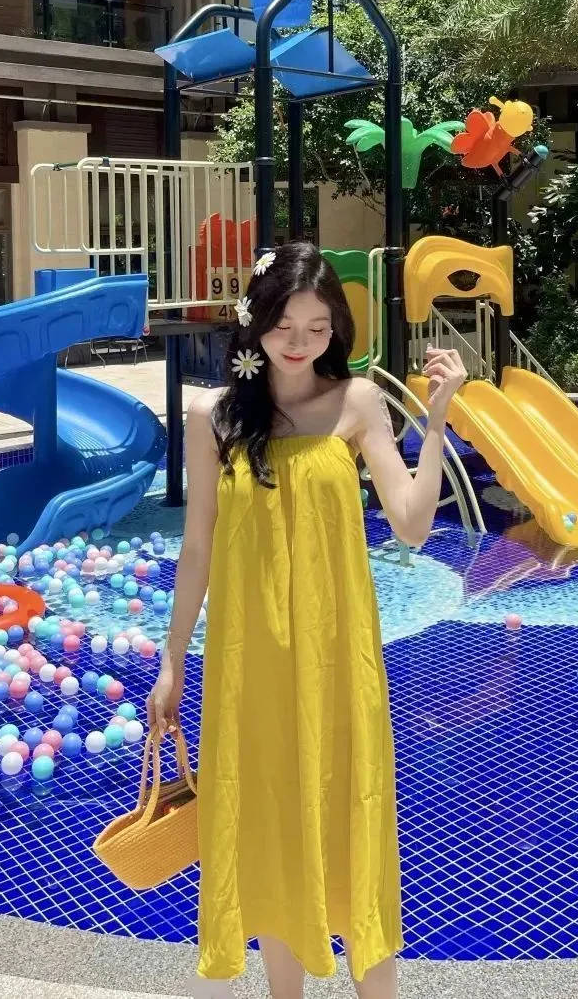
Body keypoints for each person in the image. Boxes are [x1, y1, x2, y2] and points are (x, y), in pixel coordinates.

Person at [148, 241, 467, 999]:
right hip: (250, 659)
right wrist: (172, 659)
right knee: (269, 824)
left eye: (318, 328)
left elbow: (413, 524)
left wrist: (439, 415)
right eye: (285, 325)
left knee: (353, 816)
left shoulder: (358, 401)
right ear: (255, 320)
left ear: (337, 331)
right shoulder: (214, 415)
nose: (299, 343)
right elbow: (198, 546)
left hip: (335, 653)